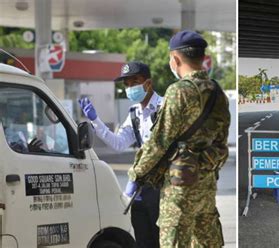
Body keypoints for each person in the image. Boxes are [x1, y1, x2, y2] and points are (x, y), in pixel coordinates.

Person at [128, 30, 230, 247]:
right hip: (207, 187)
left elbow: (159, 141)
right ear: (202, 57)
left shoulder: (178, 92)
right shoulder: (217, 91)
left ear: (175, 59)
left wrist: (135, 173)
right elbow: (221, 140)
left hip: (179, 189)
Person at [78, 61, 162, 248]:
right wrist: (95, 120)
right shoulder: (134, 114)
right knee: (143, 240)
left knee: (163, 240)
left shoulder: (165, 107)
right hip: (141, 190)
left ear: (148, 83)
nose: (130, 87)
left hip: (163, 187)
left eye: (135, 82)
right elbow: (119, 143)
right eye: (127, 84)